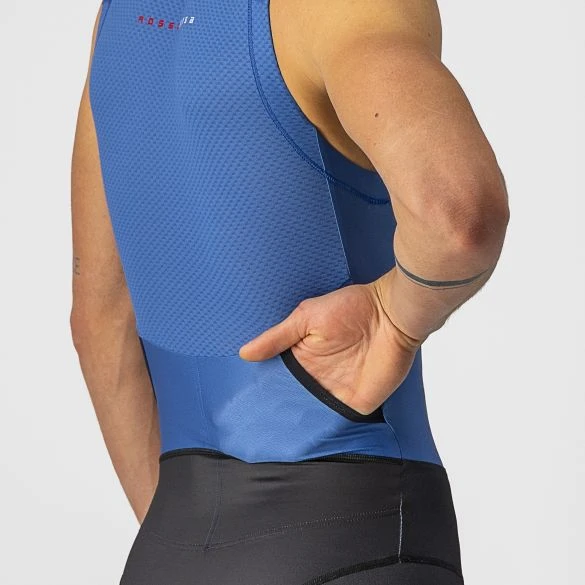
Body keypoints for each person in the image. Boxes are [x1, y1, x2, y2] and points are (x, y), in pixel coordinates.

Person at [70, 0, 509, 583]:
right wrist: (394, 317)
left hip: (171, 545)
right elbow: (458, 218)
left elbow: (99, 319)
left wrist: (201, 544)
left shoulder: (121, 18)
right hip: (354, 531)